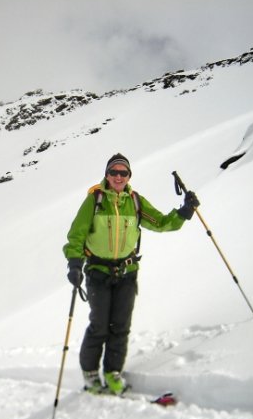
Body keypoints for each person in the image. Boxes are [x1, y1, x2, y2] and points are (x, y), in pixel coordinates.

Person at [63, 153, 199, 395]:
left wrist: (185, 211)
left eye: (123, 172)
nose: (118, 176)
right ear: (106, 175)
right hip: (98, 271)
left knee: (121, 327)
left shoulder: (135, 202)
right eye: (113, 172)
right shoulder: (95, 200)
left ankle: (113, 372)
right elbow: (77, 234)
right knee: (100, 325)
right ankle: (91, 374)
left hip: (127, 272)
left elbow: (160, 223)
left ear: (129, 176)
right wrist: (74, 264)